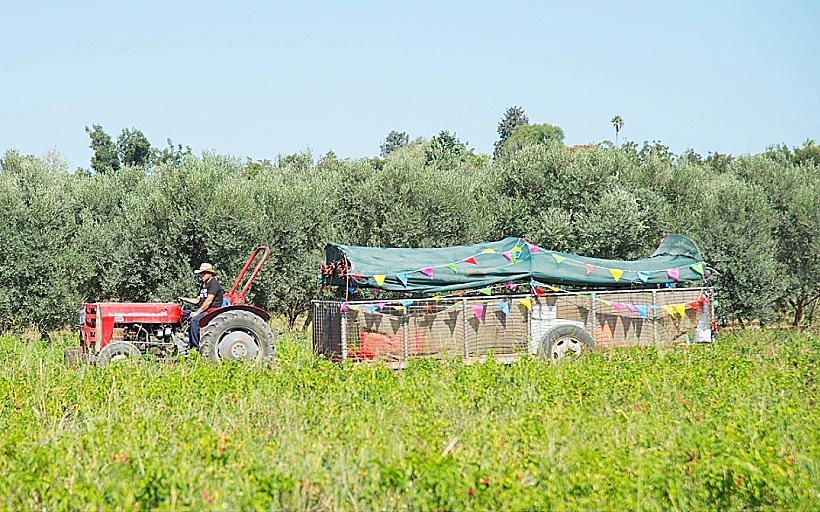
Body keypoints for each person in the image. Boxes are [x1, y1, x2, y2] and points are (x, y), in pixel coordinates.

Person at [176, 263, 224, 350]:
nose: (201, 275)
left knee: (195, 321)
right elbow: (197, 300)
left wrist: (197, 313)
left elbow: (208, 301)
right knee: (181, 314)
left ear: (210, 273)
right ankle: (179, 337)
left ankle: (195, 348)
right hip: (203, 309)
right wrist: (182, 299)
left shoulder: (214, 284)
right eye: (200, 273)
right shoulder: (203, 285)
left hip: (211, 311)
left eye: (203, 273)